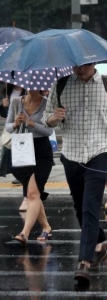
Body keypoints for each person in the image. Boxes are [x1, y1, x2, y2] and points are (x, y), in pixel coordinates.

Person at [43, 63, 107, 286]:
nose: (80, 69)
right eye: (76, 66)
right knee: (80, 206)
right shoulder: (60, 85)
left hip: (101, 152)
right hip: (72, 154)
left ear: (93, 64)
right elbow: (47, 119)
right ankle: (99, 243)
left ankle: (85, 261)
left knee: (90, 205)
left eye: (84, 65)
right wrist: (54, 117)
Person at [6, 90, 54, 245]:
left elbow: (49, 130)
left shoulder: (47, 103)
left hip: (41, 151)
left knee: (32, 193)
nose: (32, 86)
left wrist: (30, 122)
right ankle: (46, 227)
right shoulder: (16, 102)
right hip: (22, 149)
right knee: (34, 193)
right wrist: (15, 124)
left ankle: (24, 233)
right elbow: (7, 127)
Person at [1, 83, 26, 204]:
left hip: (24, 126)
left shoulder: (28, 90)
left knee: (21, 152)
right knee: (8, 151)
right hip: (12, 126)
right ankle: (17, 173)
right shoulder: (6, 91)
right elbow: (4, 114)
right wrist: (3, 105)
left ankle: (20, 175)